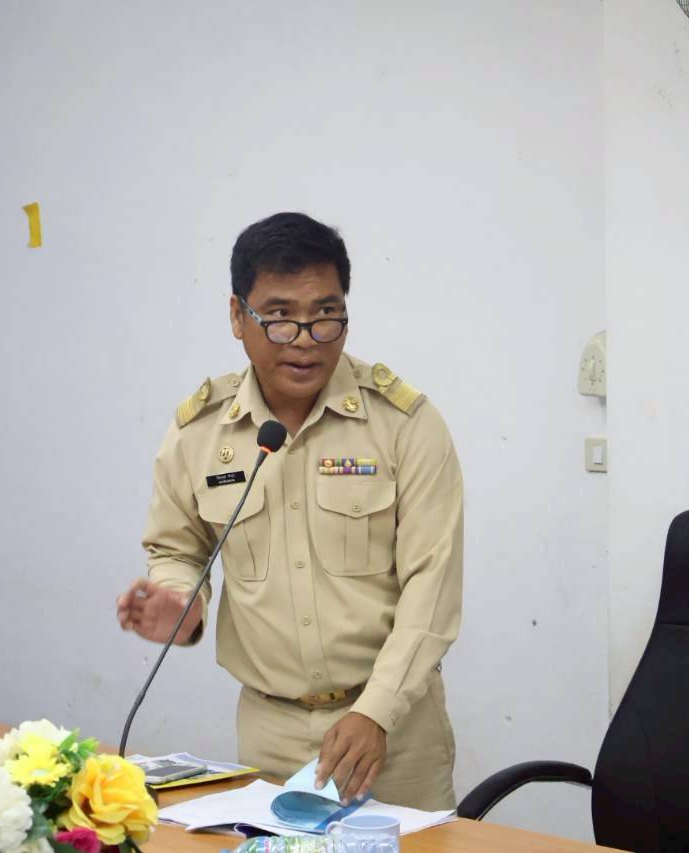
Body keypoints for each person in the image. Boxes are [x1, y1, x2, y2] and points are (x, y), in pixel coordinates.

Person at [115, 212, 463, 811]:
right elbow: (177, 549)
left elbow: (433, 586)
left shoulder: (405, 424)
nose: (305, 338)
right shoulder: (200, 431)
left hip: (395, 731)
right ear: (237, 316)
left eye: (326, 314)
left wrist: (376, 713)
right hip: (268, 732)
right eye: (278, 317)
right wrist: (180, 602)